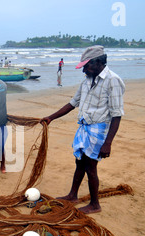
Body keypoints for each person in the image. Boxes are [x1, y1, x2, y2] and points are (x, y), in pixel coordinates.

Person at [40, 46, 125, 214]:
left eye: (87, 66)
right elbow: (73, 103)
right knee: (79, 162)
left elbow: (117, 115)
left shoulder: (112, 80)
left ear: (99, 62)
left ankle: (95, 204)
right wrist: (51, 117)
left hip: (98, 130)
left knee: (90, 166)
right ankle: (73, 195)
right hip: (84, 128)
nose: (84, 70)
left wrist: (108, 143)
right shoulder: (87, 80)